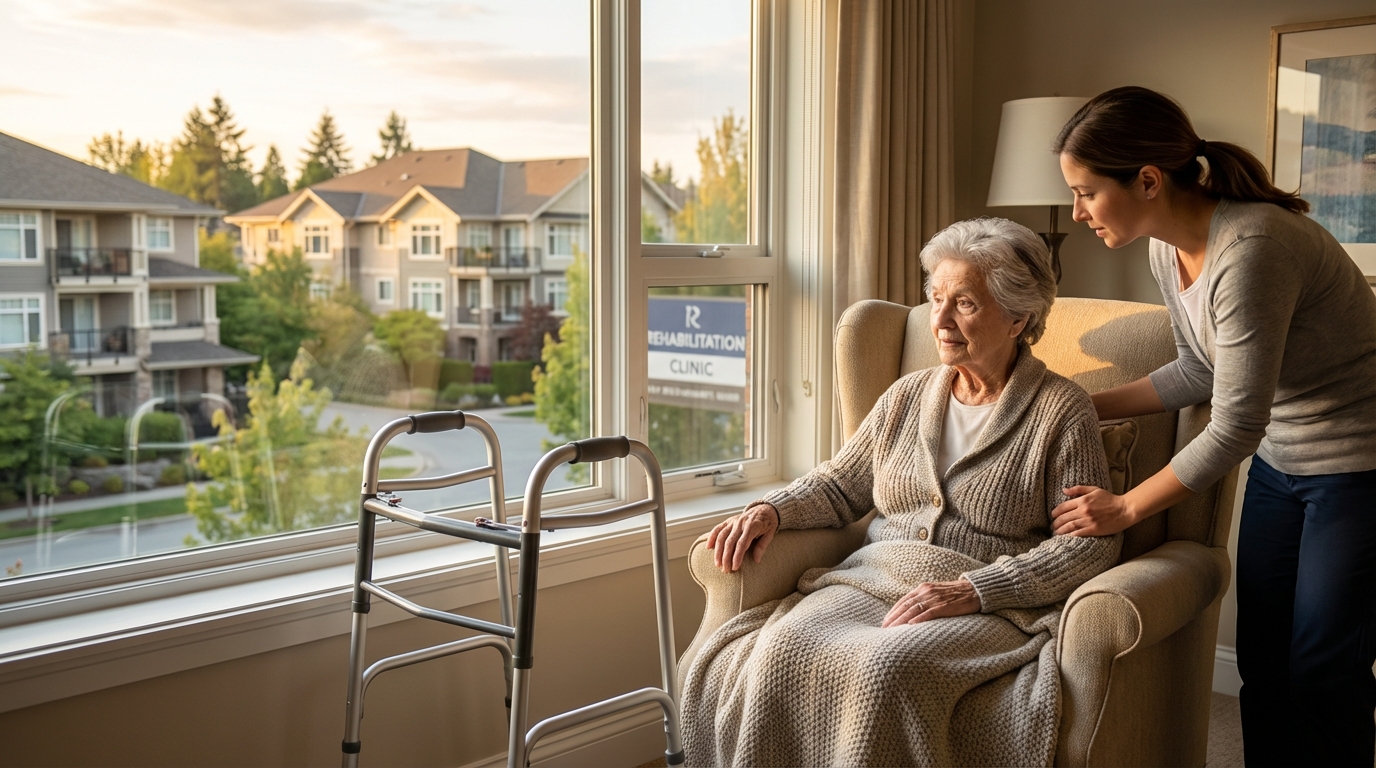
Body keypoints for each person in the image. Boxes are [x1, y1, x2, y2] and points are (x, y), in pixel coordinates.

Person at [682, 218, 1121, 767]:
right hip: (874, 577)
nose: (938, 320)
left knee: (881, 672)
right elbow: (842, 483)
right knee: (779, 652)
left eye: (964, 304)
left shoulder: (1062, 410)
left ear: (1017, 319)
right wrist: (773, 509)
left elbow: (1089, 546)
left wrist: (976, 589)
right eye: (936, 298)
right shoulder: (908, 394)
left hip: (983, 603)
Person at [1051, 85, 1376, 767]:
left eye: (1085, 192)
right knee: (1262, 657)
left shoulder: (1252, 247)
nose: (1077, 213)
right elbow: (1200, 370)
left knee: (1323, 668)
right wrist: (1079, 403)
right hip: (1283, 464)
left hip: (1358, 464)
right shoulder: (1166, 251)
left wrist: (1124, 507)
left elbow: (1234, 426)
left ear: (1145, 181)